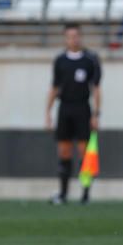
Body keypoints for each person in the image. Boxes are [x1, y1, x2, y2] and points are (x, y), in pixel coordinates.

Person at [46, 24, 102, 205]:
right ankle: (63, 193)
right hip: (65, 108)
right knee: (64, 150)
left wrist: (96, 114)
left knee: (85, 152)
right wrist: (48, 112)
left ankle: (85, 193)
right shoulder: (60, 60)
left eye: (76, 36)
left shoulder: (90, 59)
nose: (73, 39)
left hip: (82, 108)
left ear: (81, 37)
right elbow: (54, 88)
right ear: (65, 38)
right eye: (70, 36)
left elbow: (96, 88)